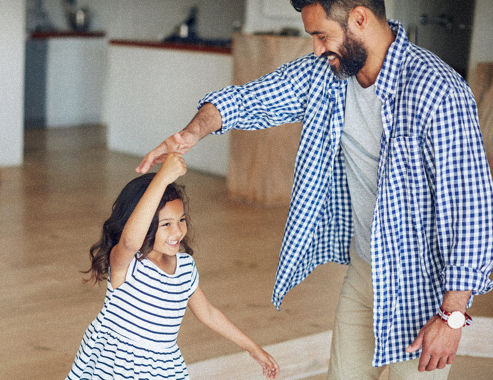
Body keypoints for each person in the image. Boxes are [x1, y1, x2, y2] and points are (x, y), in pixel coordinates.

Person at [136, 0, 493, 379]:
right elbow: (247, 99)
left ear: (359, 18)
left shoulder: (438, 91)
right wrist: (189, 134)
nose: (316, 49)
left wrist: (452, 315)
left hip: (423, 292)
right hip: (363, 273)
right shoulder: (326, 74)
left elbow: (471, 210)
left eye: (322, 35)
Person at [66, 153, 280, 379]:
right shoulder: (127, 263)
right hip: (118, 364)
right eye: (166, 224)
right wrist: (163, 177)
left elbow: (208, 313)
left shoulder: (185, 268)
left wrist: (253, 348)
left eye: (181, 220)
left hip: (162, 365)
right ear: (144, 224)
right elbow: (130, 240)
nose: (177, 231)